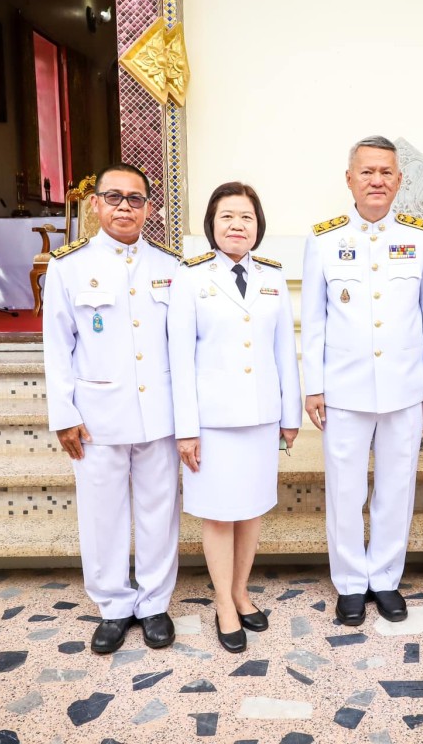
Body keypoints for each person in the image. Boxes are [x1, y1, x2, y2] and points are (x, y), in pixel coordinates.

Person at [301, 135, 423, 626]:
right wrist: (313, 385)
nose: (377, 180)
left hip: (405, 387)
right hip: (344, 389)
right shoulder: (324, 239)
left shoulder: (421, 239)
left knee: (396, 487)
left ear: (399, 180)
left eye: (386, 172)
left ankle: (384, 578)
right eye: (367, 172)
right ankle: (349, 582)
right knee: (345, 490)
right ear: (349, 179)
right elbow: (314, 321)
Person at [42, 162, 182, 654]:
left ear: (149, 207)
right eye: (115, 197)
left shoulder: (170, 267)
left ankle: (154, 603)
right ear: (96, 203)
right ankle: (113, 606)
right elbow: (57, 346)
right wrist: (63, 414)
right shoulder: (68, 266)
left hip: (158, 414)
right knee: (102, 513)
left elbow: (178, 348)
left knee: (158, 509)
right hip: (97, 415)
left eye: (136, 198)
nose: (125, 206)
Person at [169, 182, 302, 654]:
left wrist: (291, 415)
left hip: (262, 418)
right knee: (219, 515)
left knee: (251, 511)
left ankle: (242, 590)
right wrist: (186, 429)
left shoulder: (272, 279)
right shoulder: (190, 279)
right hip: (212, 423)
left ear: (258, 226)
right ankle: (224, 602)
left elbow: (285, 351)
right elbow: (179, 359)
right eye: (227, 217)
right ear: (212, 225)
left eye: (246, 217)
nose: (237, 225)